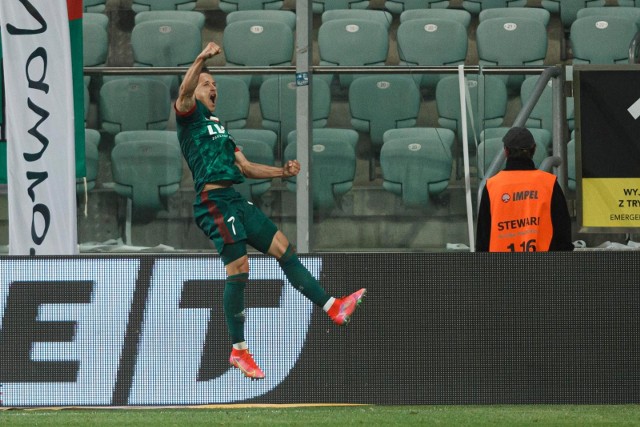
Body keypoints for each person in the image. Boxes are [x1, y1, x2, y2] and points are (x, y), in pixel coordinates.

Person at [174, 42, 366, 380]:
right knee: (240, 270)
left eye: (214, 84)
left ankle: (333, 306)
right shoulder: (188, 116)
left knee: (284, 249)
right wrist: (201, 58)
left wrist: (283, 172)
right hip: (212, 202)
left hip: (234, 198)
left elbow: (246, 167)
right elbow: (185, 89)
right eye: (207, 83)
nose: (212, 87)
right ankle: (239, 350)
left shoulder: (220, 129)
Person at [476, 126, 574, 252]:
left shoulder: (492, 186)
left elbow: (482, 241)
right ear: (534, 149)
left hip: (501, 269)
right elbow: (563, 236)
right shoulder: (549, 184)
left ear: (506, 151)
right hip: (544, 269)